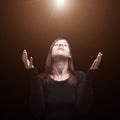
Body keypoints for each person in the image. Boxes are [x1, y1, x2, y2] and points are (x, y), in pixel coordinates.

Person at [22, 38, 103, 120]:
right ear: (50, 53)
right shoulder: (41, 79)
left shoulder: (80, 76)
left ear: (69, 55)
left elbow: (83, 110)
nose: (60, 45)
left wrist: (89, 79)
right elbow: (37, 111)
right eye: (56, 44)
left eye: (65, 45)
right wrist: (34, 77)